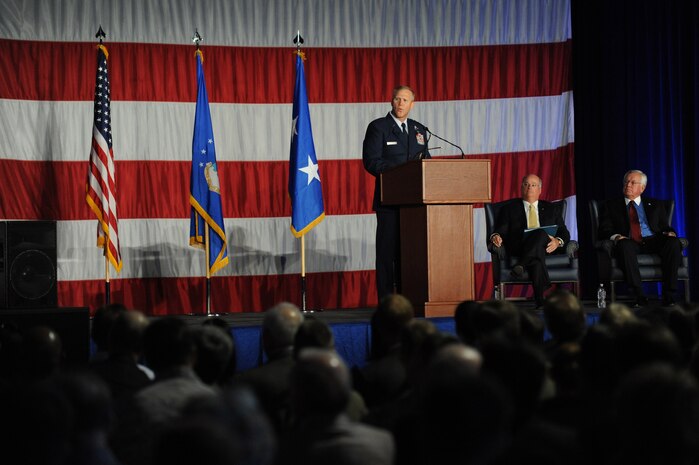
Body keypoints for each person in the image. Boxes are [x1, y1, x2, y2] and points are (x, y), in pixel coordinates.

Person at [363, 85, 431, 299]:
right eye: (397, 99)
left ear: (412, 104)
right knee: (387, 254)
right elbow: (371, 162)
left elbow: (426, 163)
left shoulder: (419, 130)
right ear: (391, 102)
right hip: (389, 201)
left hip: (415, 204)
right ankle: (386, 301)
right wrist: (400, 173)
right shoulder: (378, 127)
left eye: (405, 100)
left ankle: (409, 297)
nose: (401, 104)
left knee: (410, 253)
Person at [598, 169, 683, 307]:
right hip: (629, 241)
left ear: (642, 188)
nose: (628, 185)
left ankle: (669, 295)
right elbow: (604, 230)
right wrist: (617, 236)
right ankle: (639, 295)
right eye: (626, 182)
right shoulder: (610, 206)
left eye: (633, 182)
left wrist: (670, 233)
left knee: (673, 242)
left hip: (653, 240)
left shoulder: (655, 204)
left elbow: (664, 226)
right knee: (624, 245)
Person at [490, 174, 570, 308]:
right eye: (526, 184)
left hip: (547, 247)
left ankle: (522, 265)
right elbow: (500, 230)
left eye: (533, 185)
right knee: (538, 245)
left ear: (540, 190)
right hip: (519, 246)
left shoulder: (551, 208)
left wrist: (557, 242)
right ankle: (539, 299)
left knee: (539, 242)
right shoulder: (509, 208)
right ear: (521, 188)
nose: (529, 188)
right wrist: (495, 236)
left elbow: (564, 233)